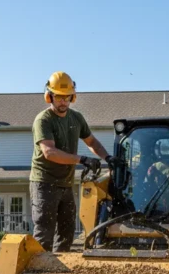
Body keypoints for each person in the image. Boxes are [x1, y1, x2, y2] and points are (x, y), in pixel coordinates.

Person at [29, 71, 119, 252]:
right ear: (49, 96)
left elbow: (91, 141)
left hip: (66, 183)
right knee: (44, 230)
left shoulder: (76, 118)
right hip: (44, 183)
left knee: (67, 230)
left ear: (73, 96)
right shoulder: (43, 120)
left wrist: (107, 158)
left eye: (67, 97)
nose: (63, 101)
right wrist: (82, 159)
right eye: (59, 97)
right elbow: (50, 153)